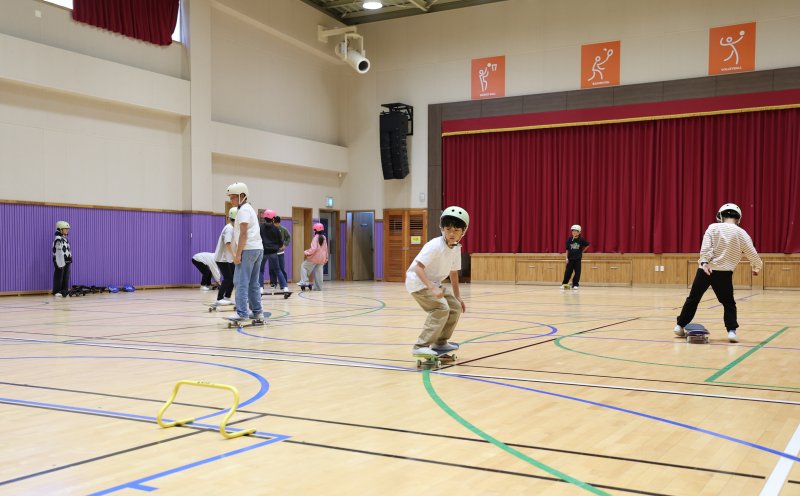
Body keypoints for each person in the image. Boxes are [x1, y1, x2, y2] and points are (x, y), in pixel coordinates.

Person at [674, 203, 762, 343]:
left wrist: (704, 263)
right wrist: (756, 267)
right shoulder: (742, 233)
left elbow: (706, 249)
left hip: (705, 270)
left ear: (720, 215)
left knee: (693, 299)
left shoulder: (713, 227)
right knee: (728, 303)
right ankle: (732, 332)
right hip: (724, 273)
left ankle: (679, 326)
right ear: (738, 218)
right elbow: (752, 253)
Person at [406, 206, 469, 357]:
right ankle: (420, 345)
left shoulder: (455, 248)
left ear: (463, 232)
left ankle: (440, 342)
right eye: (448, 229)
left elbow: (453, 273)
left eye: (456, 230)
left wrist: (458, 297)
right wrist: (432, 289)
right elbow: (418, 268)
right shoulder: (435, 245)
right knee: (441, 308)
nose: (451, 234)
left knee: (454, 307)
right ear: (442, 229)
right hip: (418, 283)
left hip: (433, 283)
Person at [226, 182, 265, 322]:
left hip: (248, 250)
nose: (231, 200)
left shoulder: (243, 211)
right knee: (253, 283)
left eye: (233, 197)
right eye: (230, 198)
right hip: (258, 249)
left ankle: (242, 313)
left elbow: (243, 234)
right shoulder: (249, 209)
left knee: (240, 282)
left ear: (242, 195)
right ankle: (257, 312)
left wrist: (237, 254)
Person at [259, 210, 289, 292]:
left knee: (261, 271)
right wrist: (278, 246)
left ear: (264, 218)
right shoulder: (276, 229)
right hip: (273, 253)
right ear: (273, 219)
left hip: (263, 252)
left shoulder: (260, 227)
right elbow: (280, 242)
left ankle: (260, 288)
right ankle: (285, 288)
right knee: (278, 270)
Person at [213, 207, 237, 305]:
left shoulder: (233, 228)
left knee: (233, 278)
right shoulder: (229, 228)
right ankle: (219, 298)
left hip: (228, 258)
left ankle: (227, 297)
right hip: (222, 258)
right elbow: (228, 243)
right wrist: (235, 255)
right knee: (228, 278)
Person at [298, 223, 328, 291]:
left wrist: (306, 252)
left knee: (303, 266)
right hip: (322, 259)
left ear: (315, 230)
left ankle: (304, 281)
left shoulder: (315, 238)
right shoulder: (324, 238)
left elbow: (314, 249)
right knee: (319, 272)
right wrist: (326, 258)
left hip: (314, 258)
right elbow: (326, 249)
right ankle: (318, 287)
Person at [561, 224, 590, 290]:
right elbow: (567, 249)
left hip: (577, 259)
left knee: (577, 273)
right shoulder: (569, 239)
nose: (574, 232)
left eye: (576, 231)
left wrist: (582, 251)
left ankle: (575, 284)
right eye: (573, 231)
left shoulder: (581, 240)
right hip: (570, 259)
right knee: (568, 272)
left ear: (579, 232)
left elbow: (588, 244)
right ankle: (564, 284)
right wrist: (566, 258)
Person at [52, 220, 72, 297]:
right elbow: (58, 251)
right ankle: (57, 291)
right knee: (59, 275)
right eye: (66, 229)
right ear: (60, 230)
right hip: (60, 260)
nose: (67, 230)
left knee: (66, 276)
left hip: (67, 260)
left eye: (68, 229)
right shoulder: (58, 239)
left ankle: (64, 290)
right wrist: (60, 261)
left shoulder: (65, 239)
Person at [270, 215, 291, 288]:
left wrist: (285, 245)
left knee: (281, 269)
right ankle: (273, 284)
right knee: (272, 269)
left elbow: (288, 237)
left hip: (280, 253)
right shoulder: (271, 229)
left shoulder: (283, 229)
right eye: (275, 223)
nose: (276, 225)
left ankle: (284, 285)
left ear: (279, 223)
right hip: (272, 253)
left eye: (276, 223)